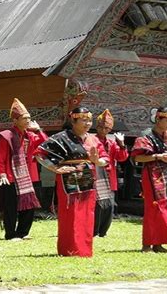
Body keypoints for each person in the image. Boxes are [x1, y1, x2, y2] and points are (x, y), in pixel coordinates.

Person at [34, 107, 108, 257]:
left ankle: (84, 250)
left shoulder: (93, 139)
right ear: (73, 121)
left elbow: (105, 159)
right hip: (68, 179)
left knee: (87, 213)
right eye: (84, 120)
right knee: (71, 213)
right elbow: (39, 153)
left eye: (89, 120)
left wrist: (96, 161)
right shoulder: (61, 138)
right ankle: (69, 249)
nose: (88, 123)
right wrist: (54, 168)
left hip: (88, 178)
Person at [131, 106, 167, 253]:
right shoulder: (146, 136)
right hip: (152, 176)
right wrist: (156, 156)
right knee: (153, 208)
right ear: (158, 119)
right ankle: (147, 244)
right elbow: (137, 157)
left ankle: (159, 243)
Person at [0, 98, 47, 241]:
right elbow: (0, 157)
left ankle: (23, 232)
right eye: (25, 118)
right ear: (15, 120)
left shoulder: (30, 135)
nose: (28, 121)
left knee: (29, 205)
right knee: (11, 207)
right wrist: (2, 174)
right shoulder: (7, 136)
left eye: (29, 118)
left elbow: (45, 144)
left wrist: (39, 130)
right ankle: (11, 234)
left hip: (28, 176)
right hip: (11, 175)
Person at [93, 109, 128, 237]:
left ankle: (103, 231)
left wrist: (122, 144)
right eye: (101, 127)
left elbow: (121, 157)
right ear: (97, 127)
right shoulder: (91, 139)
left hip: (109, 177)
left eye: (107, 128)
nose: (103, 130)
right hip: (96, 176)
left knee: (109, 205)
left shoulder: (112, 143)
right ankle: (95, 231)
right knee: (97, 205)